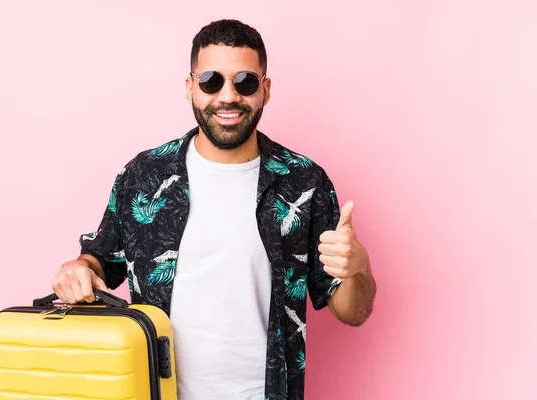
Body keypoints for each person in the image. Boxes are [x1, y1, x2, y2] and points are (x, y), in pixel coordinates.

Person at [51, 19, 377, 400]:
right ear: (190, 87)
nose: (228, 96)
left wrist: (358, 269)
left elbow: (353, 311)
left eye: (245, 82)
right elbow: (99, 261)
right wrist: (76, 269)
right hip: (156, 392)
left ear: (265, 90)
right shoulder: (144, 176)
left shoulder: (304, 182)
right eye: (211, 81)